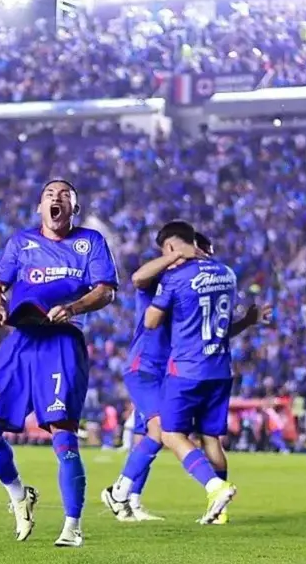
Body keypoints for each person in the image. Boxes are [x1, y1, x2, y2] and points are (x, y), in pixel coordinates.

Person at [0, 179, 119, 548]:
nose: (56, 198)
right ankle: (19, 495)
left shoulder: (91, 243)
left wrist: (73, 307)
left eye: (65, 195)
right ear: (40, 207)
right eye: (49, 195)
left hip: (61, 342)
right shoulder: (21, 242)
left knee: (63, 436)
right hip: (20, 341)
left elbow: (106, 290)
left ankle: (72, 526)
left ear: (74, 208)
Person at [142, 221, 269, 525]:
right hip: (220, 369)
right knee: (212, 439)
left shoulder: (175, 277)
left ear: (172, 247)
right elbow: (222, 329)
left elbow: (150, 321)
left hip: (186, 370)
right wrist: (248, 321)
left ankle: (215, 487)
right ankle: (220, 513)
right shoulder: (227, 274)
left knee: (172, 434)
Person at [101, 221, 208, 523]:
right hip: (145, 366)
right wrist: (176, 256)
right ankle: (118, 493)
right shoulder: (159, 277)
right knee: (161, 431)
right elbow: (136, 278)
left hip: (170, 371)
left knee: (146, 437)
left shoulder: (189, 285)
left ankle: (131, 501)